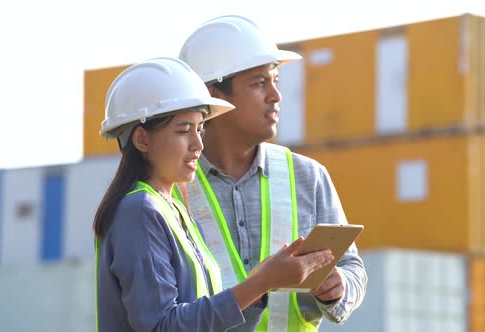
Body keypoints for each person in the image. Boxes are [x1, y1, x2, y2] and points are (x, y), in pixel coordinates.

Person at [93, 57, 334, 332]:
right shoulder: (139, 211)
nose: (198, 144)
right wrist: (260, 283)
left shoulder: (174, 210)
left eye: (200, 129)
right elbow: (162, 325)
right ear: (142, 140)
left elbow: (202, 319)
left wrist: (261, 286)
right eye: (184, 131)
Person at [179, 15, 367, 331]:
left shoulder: (310, 177)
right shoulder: (171, 188)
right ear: (215, 96)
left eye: (275, 81)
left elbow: (351, 266)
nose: (276, 96)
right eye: (259, 83)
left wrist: (340, 288)